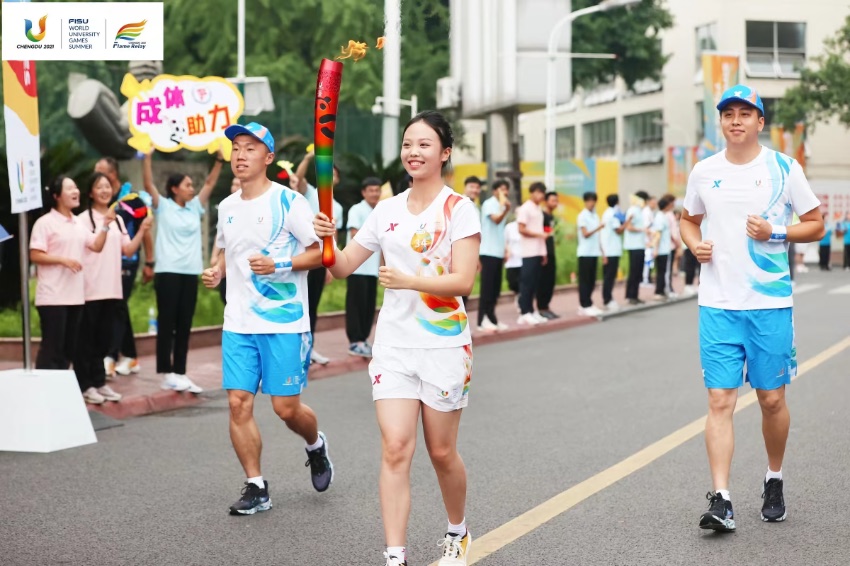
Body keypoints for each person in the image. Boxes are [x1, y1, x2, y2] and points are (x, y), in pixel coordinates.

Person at [313, 111, 480, 566]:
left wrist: (409, 281)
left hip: (445, 345)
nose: (413, 152)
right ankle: (395, 556)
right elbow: (344, 265)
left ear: (444, 153)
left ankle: (457, 531)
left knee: (442, 452)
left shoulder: (458, 209)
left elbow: (464, 280)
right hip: (394, 346)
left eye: (424, 144)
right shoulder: (383, 211)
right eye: (408, 143)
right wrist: (327, 242)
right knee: (395, 447)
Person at [680, 84, 824, 533]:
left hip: (769, 303)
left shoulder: (784, 168)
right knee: (720, 400)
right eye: (729, 114)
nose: (736, 120)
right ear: (721, 122)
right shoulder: (704, 171)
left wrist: (777, 232)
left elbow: (817, 224)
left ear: (761, 122)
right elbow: (688, 219)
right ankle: (721, 499)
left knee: (771, 399)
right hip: (718, 304)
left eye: (746, 113)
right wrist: (694, 244)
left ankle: (774, 478)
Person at [202, 122, 334, 516]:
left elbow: (319, 255)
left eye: (250, 148)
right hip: (238, 322)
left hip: (283, 321)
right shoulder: (227, 206)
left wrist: (278, 263)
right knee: (238, 402)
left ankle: (315, 445)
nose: (240, 155)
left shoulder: (289, 203)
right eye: (236, 148)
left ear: (268, 158)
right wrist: (217, 272)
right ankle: (256, 485)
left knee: (285, 408)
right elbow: (225, 251)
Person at [142, 151, 224, 394]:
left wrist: (219, 161)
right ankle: (167, 373)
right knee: (167, 323)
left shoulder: (195, 208)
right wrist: (146, 157)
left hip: (190, 273)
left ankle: (180, 372)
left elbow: (209, 183)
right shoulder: (163, 207)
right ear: (174, 189)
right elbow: (148, 184)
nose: (192, 188)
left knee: (184, 323)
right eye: (187, 185)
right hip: (167, 272)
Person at [75, 173, 152, 404]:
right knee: (86, 340)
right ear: (90, 192)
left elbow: (127, 250)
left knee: (105, 340)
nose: (104, 190)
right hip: (89, 289)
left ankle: (99, 383)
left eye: (107, 186)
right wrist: (105, 224)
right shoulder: (82, 220)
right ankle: (85, 384)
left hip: (112, 288)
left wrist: (142, 229)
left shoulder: (118, 220)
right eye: (99, 187)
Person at [30, 176, 110, 374]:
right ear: (57, 196)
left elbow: (97, 246)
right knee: (52, 350)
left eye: (76, 187)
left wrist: (106, 224)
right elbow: (35, 254)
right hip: (52, 297)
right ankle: (43, 393)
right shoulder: (45, 223)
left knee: (67, 351)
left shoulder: (78, 223)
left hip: (75, 297)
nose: (76, 192)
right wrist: (63, 260)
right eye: (70, 189)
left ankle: (60, 395)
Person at [94, 157, 154, 378]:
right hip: (105, 261)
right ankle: (130, 355)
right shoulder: (102, 200)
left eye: (100, 173)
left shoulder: (132, 200)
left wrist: (150, 262)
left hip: (127, 260)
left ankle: (111, 357)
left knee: (118, 305)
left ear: (112, 175)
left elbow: (145, 231)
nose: (96, 178)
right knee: (117, 307)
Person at [294, 151, 344, 366]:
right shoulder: (310, 194)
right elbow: (298, 179)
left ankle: (309, 347)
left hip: (321, 261)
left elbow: (334, 236)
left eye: (332, 174)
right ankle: (294, 348)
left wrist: (331, 266)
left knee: (313, 305)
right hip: (304, 256)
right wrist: (307, 158)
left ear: (337, 179)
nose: (329, 177)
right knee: (299, 303)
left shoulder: (338, 207)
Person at [345, 177, 383, 357]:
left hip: (372, 269)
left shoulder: (380, 211)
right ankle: (354, 341)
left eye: (377, 190)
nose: (374, 193)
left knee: (368, 306)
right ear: (364, 192)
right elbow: (354, 233)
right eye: (371, 190)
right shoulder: (357, 210)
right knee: (356, 305)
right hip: (357, 267)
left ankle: (364, 339)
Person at [477, 179, 511, 331]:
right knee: (487, 287)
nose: (504, 193)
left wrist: (505, 249)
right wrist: (505, 210)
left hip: (497, 252)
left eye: (506, 190)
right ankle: (481, 320)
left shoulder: (502, 205)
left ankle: (492, 318)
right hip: (488, 251)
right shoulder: (489, 204)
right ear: (495, 191)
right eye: (502, 189)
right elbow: (496, 220)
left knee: (496, 288)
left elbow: (501, 230)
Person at [516, 182, 549, 326]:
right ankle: (524, 312)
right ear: (532, 192)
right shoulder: (525, 208)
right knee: (527, 283)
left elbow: (540, 231)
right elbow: (521, 229)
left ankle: (531, 310)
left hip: (538, 250)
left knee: (535, 283)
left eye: (542, 193)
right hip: (528, 252)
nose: (540, 195)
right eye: (538, 192)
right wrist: (539, 235)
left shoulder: (538, 208)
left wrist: (544, 252)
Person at [576, 191, 604, 316]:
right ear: (585, 201)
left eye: (593, 201)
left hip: (594, 252)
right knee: (585, 280)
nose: (591, 203)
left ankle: (589, 302)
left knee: (592, 280)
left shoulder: (595, 215)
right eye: (589, 201)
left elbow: (598, 237)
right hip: (585, 252)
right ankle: (583, 304)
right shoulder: (583, 216)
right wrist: (598, 228)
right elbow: (585, 234)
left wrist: (603, 252)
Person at [537, 191, 560, 319]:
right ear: (546, 201)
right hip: (543, 253)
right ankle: (541, 307)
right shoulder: (542, 216)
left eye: (556, 201)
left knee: (551, 281)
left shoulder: (551, 217)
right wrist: (543, 252)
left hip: (551, 252)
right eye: (552, 200)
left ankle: (546, 306)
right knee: (543, 281)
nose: (555, 203)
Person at [600, 194, 625, 311]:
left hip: (608, 249)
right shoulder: (613, 214)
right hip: (612, 250)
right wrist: (627, 222)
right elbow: (618, 230)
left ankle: (608, 298)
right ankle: (608, 299)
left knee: (608, 276)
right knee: (609, 277)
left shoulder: (606, 213)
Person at [623, 192, 648, 305]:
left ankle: (635, 295)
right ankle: (630, 295)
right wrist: (641, 230)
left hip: (640, 245)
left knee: (638, 271)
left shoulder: (639, 210)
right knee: (634, 271)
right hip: (634, 246)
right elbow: (628, 226)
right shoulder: (632, 210)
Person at [650, 195, 674, 301]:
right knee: (661, 271)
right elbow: (658, 234)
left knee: (663, 271)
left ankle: (661, 290)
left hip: (664, 248)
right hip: (661, 250)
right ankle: (658, 291)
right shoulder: (660, 217)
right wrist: (655, 249)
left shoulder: (663, 216)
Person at [504, 219, 522, 309]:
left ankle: (521, 301)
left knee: (523, 282)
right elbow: (505, 240)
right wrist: (507, 251)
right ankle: (518, 295)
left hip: (523, 259)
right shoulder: (509, 227)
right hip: (512, 260)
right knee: (512, 282)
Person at [641, 194, 658, 286]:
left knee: (650, 260)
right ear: (648, 202)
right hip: (647, 240)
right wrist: (652, 236)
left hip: (651, 240)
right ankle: (645, 279)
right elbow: (645, 228)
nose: (655, 205)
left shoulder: (651, 212)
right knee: (647, 260)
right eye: (653, 203)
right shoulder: (646, 212)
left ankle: (648, 277)